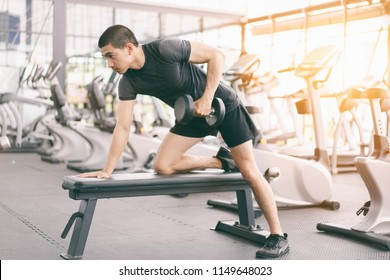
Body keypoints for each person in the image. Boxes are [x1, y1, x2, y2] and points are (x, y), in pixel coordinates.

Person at [78, 24, 289, 258]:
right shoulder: (128, 82)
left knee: (249, 171)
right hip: (192, 117)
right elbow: (123, 126)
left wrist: (207, 98)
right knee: (163, 166)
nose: (109, 63)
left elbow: (215, 55)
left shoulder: (166, 49)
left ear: (128, 48)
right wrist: (108, 169)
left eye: (111, 56)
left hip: (222, 106)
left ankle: (277, 236)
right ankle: (221, 161)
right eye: (105, 57)